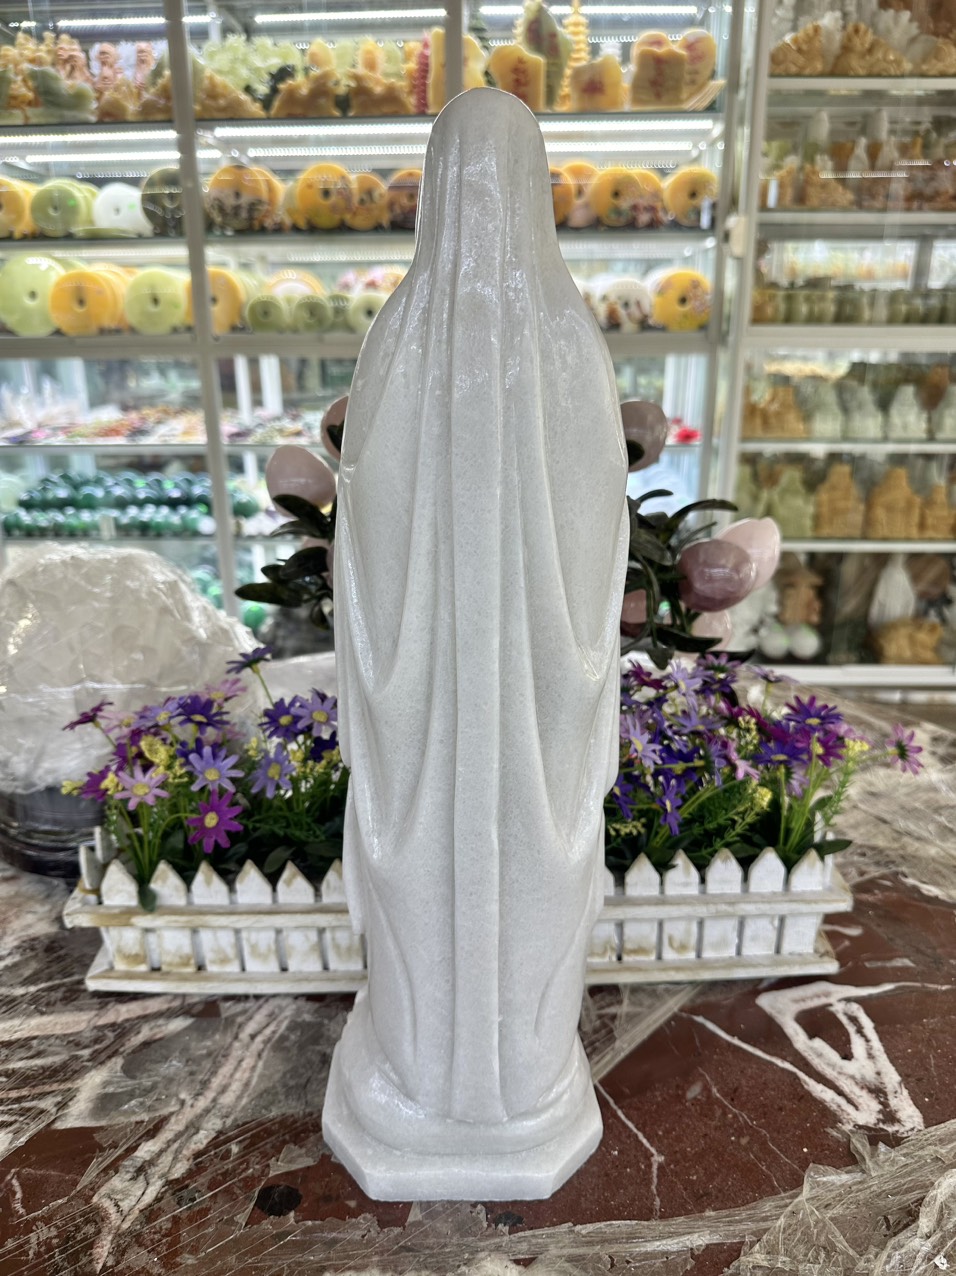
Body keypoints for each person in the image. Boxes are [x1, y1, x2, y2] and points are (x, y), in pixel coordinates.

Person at [324, 88, 628, 1192]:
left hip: (451, 716)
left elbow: (361, 533)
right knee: (513, 878)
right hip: (515, 717)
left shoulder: (400, 337)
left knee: (444, 882)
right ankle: (506, 1082)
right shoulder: (567, 340)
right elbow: (599, 539)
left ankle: (444, 1082)